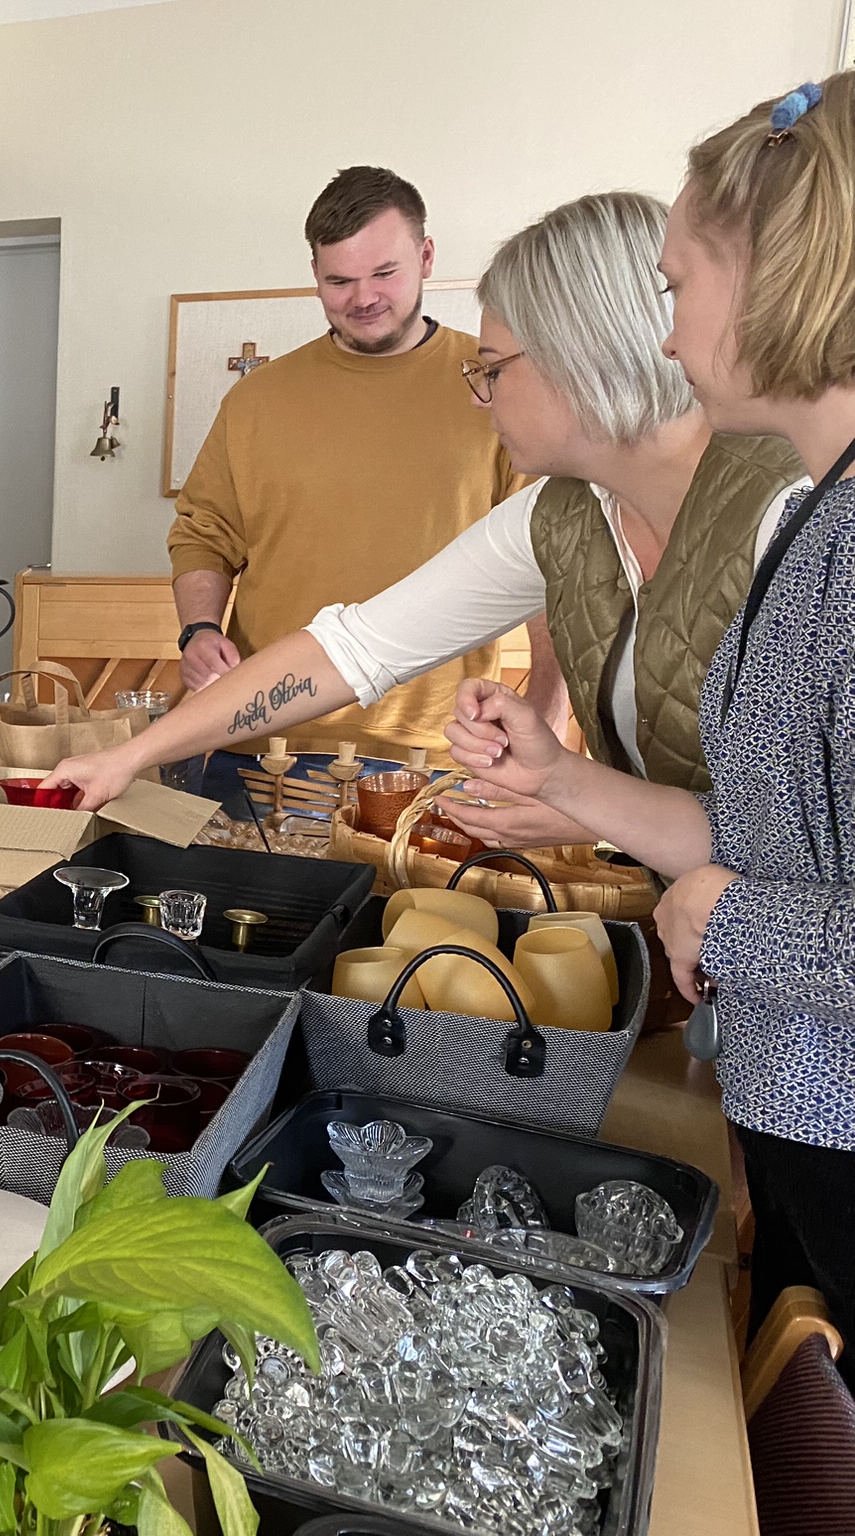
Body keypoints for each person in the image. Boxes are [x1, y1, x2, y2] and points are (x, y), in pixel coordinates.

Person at [446, 75, 855, 1366]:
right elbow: (767, 830)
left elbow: (761, 888)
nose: (669, 338)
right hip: (798, 1131)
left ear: (780, 273)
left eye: (678, 287)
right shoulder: (811, 520)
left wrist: (727, 914)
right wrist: (561, 776)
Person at [47, 192, 807, 852]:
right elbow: (353, 648)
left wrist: (582, 803)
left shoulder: (796, 515)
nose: (480, 398)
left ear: (579, 356)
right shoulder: (564, 510)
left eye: (494, 370)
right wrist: (129, 756)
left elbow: (806, 839)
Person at [166, 165, 548, 783]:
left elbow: (546, 568)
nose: (363, 297)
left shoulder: (495, 384)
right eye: (339, 280)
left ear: (425, 256)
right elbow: (203, 534)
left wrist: (547, 735)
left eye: (384, 273)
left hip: (433, 753)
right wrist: (199, 630)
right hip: (255, 740)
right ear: (314, 276)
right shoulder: (256, 399)